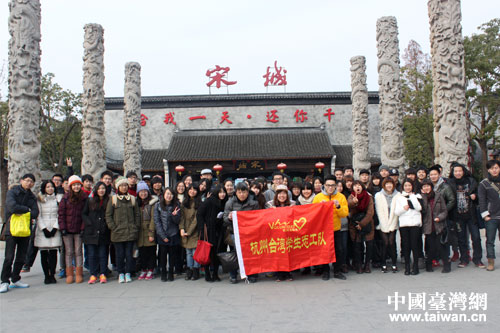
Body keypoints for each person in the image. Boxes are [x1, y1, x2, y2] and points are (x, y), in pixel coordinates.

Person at [0, 174, 39, 293]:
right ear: (21, 180)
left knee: (21, 256)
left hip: (25, 229)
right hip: (12, 229)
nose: (29, 183)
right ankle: (4, 281)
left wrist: (23, 211)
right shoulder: (13, 192)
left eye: (31, 181)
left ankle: (15, 278)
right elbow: (12, 207)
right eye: (27, 180)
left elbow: (35, 212)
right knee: (9, 256)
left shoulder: (32, 196)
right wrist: (27, 210)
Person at [447, 163, 484, 268]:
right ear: (453, 173)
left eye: (460, 171)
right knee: (461, 238)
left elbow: (479, 196)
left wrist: (475, 196)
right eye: (456, 171)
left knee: (476, 237)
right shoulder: (450, 183)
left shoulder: (471, 181)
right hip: (457, 216)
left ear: (463, 171)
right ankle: (464, 259)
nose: (458, 173)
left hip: (471, 215)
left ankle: (477, 259)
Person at [312, 175, 349, 281]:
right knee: (324, 251)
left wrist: (338, 207)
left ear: (336, 186)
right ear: (324, 185)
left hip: (336, 228)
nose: (330, 187)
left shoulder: (341, 197)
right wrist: (320, 207)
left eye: (333, 185)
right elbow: (313, 213)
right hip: (323, 229)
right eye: (328, 185)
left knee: (339, 250)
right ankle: (325, 271)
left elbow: (345, 213)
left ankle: (337, 271)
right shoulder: (318, 197)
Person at [106, 177, 140, 283]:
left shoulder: (133, 199)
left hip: (130, 232)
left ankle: (128, 272)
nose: (124, 187)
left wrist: (135, 227)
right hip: (117, 233)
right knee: (119, 255)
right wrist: (113, 227)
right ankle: (120, 273)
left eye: (125, 185)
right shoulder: (113, 199)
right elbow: (108, 215)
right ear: (118, 187)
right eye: (122, 186)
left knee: (129, 255)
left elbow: (137, 215)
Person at [223, 182, 259, 283]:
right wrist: (229, 218)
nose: (242, 194)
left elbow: (257, 218)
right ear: (236, 193)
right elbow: (224, 218)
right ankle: (233, 275)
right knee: (235, 254)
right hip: (234, 233)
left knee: (250, 254)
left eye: (244, 192)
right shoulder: (230, 203)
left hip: (250, 233)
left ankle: (251, 274)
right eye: (239, 192)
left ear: (248, 192)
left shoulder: (254, 203)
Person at [58, 175, 87, 284]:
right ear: (70, 186)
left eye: (78, 185)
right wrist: (63, 228)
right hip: (67, 229)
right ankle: (69, 273)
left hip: (79, 229)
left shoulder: (83, 198)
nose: (76, 187)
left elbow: (85, 214)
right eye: (74, 185)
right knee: (69, 252)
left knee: (78, 251)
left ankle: (79, 273)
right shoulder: (65, 198)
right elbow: (61, 214)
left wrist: (83, 228)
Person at [197, 185, 228, 282]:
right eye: (220, 192)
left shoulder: (224, 202)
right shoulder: (209, 201)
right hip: (208, 231)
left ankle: (215, 274)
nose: (222, 194)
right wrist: (202, 228)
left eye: (224, 192)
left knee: (216, 253)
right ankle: (207, 273)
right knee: (208, 253)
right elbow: (199, 214)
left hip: (218, 231)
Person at [82, 181, 111, 284]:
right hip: (91, 232)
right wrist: (89, 223)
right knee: (92, 254)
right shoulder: (90, 201)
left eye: (103, 188)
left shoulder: (109, 201)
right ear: (96, 190)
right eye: (99, 189)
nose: (101, 190)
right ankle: (93, 274)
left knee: (103, 254)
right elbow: (84, 214)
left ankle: (103, 273)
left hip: (104, 231)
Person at [265, 184, 296, 282]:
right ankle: (279, 274)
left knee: (289, 253)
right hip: (275, 233)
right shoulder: (270, 204)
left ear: (287, 195)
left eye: (284, 193)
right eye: (279, 193)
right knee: (277, 253)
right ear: (276, 195)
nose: (282, 196)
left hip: (289, 232)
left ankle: (288, 273)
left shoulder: (293, 204)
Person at [35, 180, 63, 284]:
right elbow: (38, 215)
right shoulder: (40, 199)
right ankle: (46, 275)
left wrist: (56, 227)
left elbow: (60, 214)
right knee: (44, 254)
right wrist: (44, 228)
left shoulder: (58, 199)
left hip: (55, 228)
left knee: (53, 253)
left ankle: (52, 274)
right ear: (44, 188)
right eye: (47, 187)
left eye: (51, 187)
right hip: (43, 228)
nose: (50, 188)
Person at [420, 179, 450, 273]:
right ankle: (429, 265)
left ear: (431, 187)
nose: (426, 188)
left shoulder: (438, 196)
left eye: (428, 186)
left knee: (440, 246)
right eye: (424, 186)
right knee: (430, 247)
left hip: (438, 225)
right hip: (428, 226)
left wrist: (439, 217)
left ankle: (446, 265)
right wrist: (424, 196)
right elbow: (423, 210)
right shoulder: (421, 197)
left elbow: (444, 210)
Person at [428, 165, 457, 263]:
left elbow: (452, 200)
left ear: (439, 175)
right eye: (431, 174)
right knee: (432, 238)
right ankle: (434, 258)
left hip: (443, 217)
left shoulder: (445, 186)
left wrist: (443, 211)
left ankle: (445, 258)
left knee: (443, 238)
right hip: (431, 217)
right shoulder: (428, 186)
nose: (433, 176)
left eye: (435, 174)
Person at [394, 179, 423, 275]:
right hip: (404, 224)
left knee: (415, 246)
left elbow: (419, 208)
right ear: (403, 187)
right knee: (406, 246)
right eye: (406, 185)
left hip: (415, 224)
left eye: (409, 185)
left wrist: (412, 197)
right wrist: (404, 208)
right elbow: (396, 212)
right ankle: (407, 266)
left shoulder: (417, 196)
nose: (407, 187)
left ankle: (415, 267)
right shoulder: (399, 197)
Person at [154, 187, 181, 282]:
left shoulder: (177, 205)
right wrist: (163, 236)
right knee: (162, 255)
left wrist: (174, 216)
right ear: (163, 195)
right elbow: (157, 222)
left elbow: (178, 222)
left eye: (171, 194)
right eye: (167, 194)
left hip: (173, 233)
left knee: (172, 255)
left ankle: (170, 272)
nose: (169, 196)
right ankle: (163, 272)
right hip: (162, 234)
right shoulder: (158, 205)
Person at [347, 181, 375, 274]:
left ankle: (367, 265)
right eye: (355, 186)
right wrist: (354, 203)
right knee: (357, 246)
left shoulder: (368, 197)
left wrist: (362, 224)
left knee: (369, 245)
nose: (357, 187)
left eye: (359, 185)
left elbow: (370, 212)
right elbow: (348, 207)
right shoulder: (351, 197)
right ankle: (359, 265)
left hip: (367, 224)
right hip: (355, 224)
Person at [374, 178, 400, 273]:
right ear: (383, 185)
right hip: (382, 223)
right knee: (385, 243)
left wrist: (392, 223)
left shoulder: (398, 195)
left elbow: (397, 211)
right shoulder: (378, 195)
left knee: (391, 242)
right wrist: (384, 223)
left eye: (390, 184)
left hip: (393, 221)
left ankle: (394, 263)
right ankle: (383, 263)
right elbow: (379, 211)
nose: (389, 186)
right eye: (387, 184)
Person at [478, 160, 500, 271]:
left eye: (496, 168)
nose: (494, 170)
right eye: (492, 168)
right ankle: (491, 261)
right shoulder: (484, 183)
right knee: (490, 240)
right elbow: (482, 200)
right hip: (491, 216)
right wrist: (485, 215)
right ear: (488, 170)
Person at [136, 181, 157, 281]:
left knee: (151, 252)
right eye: (141, 191)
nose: (143, 193)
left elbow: (154, 218)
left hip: (149, 229)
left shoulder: (152, 202)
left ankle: (151, 269)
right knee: (142, 252)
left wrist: (151, 233)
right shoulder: (136, 203)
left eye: (145, 191)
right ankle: (143, 269)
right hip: (140, 232)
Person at [180, 184, 201, 280]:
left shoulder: (199, 202)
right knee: (188, 252)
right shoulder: (184, 202)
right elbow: (181, 217)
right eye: (190, 189)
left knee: (195, 251)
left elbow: (197, 219)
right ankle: (189, 270)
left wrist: (189, 231)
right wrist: (182, 229)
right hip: (185, 230)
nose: (192, 191)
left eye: (194, 189)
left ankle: (196, 270)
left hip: (195, 230)